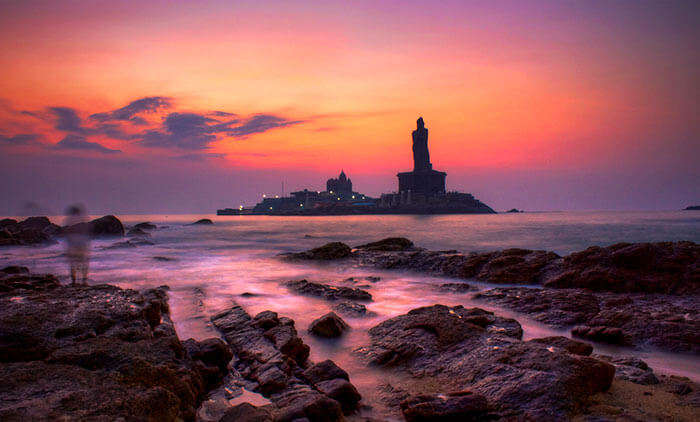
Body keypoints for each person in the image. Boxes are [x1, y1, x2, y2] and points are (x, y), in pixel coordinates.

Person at [64, 204, 90, 285]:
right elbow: (86, 234)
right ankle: (84, 280)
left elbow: (68, 234)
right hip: (81, 245)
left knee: (73, 263)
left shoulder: (69, 221)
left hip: (73, 245)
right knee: (84, 263)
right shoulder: (83, 221)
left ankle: (74, 280)